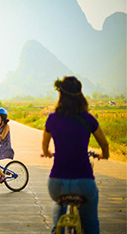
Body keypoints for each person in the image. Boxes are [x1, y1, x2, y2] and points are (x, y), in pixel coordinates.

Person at [41, 76, 109, 234]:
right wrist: (104, 154)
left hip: (57, 184)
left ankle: (58, 228)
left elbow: (44, 144)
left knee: (58, 220)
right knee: (91, 223)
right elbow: (104, 144)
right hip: (84, 182)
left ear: (61, 96)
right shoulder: (88, 119)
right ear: (80, 95)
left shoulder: (52, 119)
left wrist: (47, 152)